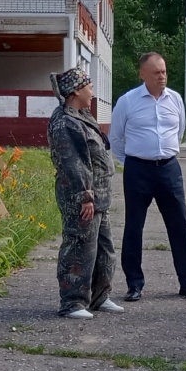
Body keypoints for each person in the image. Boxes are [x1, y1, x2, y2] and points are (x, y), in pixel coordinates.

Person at [109, 52, 186, 302]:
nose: (162, 76)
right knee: (134, 227)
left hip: (169, 168)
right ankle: (134, 283)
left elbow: (179, 130)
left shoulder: (175, 99)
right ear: (142, 74)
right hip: (138, 169)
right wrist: (130, 162)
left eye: (164, 71)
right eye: (156, 72)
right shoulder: (128, 101)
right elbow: (116, 138)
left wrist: (165, 153)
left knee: (179, 225)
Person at [47, 66, 122, 319]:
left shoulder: (83, 116)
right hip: (82, 200)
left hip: (99, 199)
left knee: (103, 249)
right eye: (89, 87)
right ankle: (72, 303)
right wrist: (84, 196)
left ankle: (99, 298)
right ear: (76, 91)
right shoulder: (65, 122)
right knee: (79, 249)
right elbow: (72, 162)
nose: (92, 92)